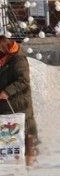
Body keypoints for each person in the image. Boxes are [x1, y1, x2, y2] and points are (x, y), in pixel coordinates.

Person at [0, 34, 39, 163]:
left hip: (20, 103)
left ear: (5, 51)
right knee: (10, 136)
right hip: (5, 106)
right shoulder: (4, 60)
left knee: (27, 130)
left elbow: (23, 81)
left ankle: (32, 161)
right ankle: (13, 160)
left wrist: (7, 91)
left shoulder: (19, 60)